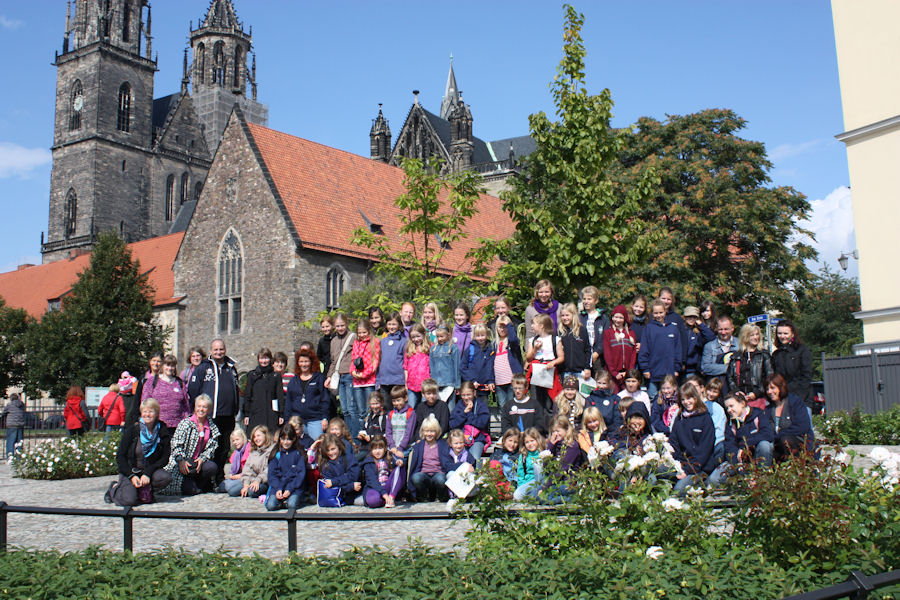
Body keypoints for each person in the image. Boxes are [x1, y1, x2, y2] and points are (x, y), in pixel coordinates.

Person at [187, 339, 239, 484]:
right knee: (210, 448)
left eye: (221, 349)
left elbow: (235, 389)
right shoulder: (203, 368)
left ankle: (219, 477)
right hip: (211, 416)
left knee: (224, 448)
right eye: (216, 349)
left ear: (225, 350)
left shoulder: (231, 368)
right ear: (211, 351)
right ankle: (206, 480)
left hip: (228, 415)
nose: (218, 352)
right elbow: (193, 390)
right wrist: (198, 410)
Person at [106, 398, 173, 506]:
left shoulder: (162, 430)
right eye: (145, 411)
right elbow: (120, 456)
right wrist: (131, 476)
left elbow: (165, 457)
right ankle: (113, 489)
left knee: (166, 477)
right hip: (131, 470)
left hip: (149, 470)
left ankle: (145, 491)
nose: (147, 414)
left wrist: (148, 473)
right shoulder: (133, 430)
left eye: (151, 411)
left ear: (156, 413)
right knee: (129, 501)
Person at [708, 392, 774, 487]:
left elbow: (768, 434)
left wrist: (745, 446)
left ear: (742, 404)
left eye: (731, 406)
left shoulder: (758, 415)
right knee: (714, 479)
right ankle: (739, 485)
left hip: (757, 455)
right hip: (739, 460)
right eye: (727, 408)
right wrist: (740, 467)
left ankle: (763, 479)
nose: (729, 410)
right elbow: (730, 446)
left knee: (765, 445)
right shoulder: (730, 424)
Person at [162, 395, 220, 496]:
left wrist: (203, 458)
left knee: (211, 467)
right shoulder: (185, 424)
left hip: (198, 463)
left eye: (204, 407)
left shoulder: (212, 427)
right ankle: (191, 485)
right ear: (195, 407)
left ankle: (200, 484)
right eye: (199, 406)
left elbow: (212, 447)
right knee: (191, 490)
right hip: (183, 463)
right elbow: (175, 444)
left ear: (209, 409)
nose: (201, 409)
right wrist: (181, 460)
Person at [667, 382, 716, 494]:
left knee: (679, 489)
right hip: (681, 465)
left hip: (699, 467)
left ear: (695, 398)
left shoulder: (705, 418)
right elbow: (673, 444)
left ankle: (703, 484)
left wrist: (688, 470)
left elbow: (704, 450)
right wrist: (678, 464)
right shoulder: (679, 419)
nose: (686, 402)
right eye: (683, 399)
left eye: (689, 398)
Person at [637, 299, 683, 402]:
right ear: (652, 313)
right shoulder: (648, 328)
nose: (659, 315)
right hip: (653, 372)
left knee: (671, 399)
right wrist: (645, 368)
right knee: (653, 399)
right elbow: (644, 350)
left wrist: (677, 368)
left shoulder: (673, 328)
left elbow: (678, 350)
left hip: (669, 372)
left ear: (665, 311)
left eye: (661, 312)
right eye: (656, 313)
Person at [764, 373, 815, 461]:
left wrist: (779, 434)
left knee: (785, 440)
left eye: (772, 388)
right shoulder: (768, 409)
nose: (769, 392)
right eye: (767, 389)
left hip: (797, 444)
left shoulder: (795, 403)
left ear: (781, 387)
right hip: (777, 446)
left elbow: (803, 427)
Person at [725, 324, 773, 410]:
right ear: (745, 336)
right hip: (740, 399)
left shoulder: (764, 355)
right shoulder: (736, 356)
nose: (756, 337)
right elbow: (730, 377)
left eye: (757, 334)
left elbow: (769, 377)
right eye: (752, 335)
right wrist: (737, 392)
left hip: (759, 399)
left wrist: (756, 393)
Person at [285, 348, 329, 440]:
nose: (304, 364)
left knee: (317, 444)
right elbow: (289, 402)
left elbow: (325, 399)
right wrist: (287, 421)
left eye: (306, 361)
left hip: (315, 419)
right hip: (297, 420)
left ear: (311, 362)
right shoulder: (293, 381)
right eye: (301, 362)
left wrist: (325, 418)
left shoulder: (319, 378)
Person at [771, 320, 815, 412]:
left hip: (802, 399)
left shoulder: (802, 350)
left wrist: (798, 397)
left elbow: (807, 376)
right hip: (783, 399)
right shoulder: (776, 354)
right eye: (779, 333)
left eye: (785, 333)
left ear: (792, 334)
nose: (782, 336)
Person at [525, 313, 565, 413]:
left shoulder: (555, 339)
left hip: (549, 371)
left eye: (534, 323)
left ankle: (549, 419)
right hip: (537, 371)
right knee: (537, 399)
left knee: (549, 400)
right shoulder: (533, 340)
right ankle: (538, 420)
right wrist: (535, 349)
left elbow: (561, 357)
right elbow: (529, 358)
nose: (532, 326)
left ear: (541, 326)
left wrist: (553, 363)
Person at [324, 313, 356, 436]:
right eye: (337, 326)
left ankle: (354, 435)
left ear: (346, 324)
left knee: (351, 408)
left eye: (342, 325)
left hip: (349, 375)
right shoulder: (334, 341)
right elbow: (333, 361)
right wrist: (329, 376)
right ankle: (347, 434)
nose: (340, 328)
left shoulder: (353, 337)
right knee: (344, 409)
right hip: (339, 376)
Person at [407, 416, 451, 501]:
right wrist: (410, 488)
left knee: (441, 479)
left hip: (438, 473)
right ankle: (424, 497)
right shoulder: (418, 446)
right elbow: (413, 467)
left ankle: (440, 497)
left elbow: (447, 463)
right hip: (424, 474)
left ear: (437, 432)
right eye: (427, 431)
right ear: (423, 431)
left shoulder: (443, 445)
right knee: (416, 477)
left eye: (432, 431)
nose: (429, 434)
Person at [350, 318, 381, 438]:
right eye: (359, 333)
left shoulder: (375, 341)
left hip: (369, 381)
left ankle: (371, 434)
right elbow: (353, 359)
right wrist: (352, 371)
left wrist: (364, 374)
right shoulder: (356, 343)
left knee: (370, 409)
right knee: (361, 411)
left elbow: (375, 362)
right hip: (357, 381)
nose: (362, 335)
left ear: (369, 331)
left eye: (364, 332)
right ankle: (362, 435)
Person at [266, 423, 307, 510]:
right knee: (271, 506)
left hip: (294, 487)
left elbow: (300, 475)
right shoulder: (276, 454)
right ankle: (282, 502)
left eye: (288, 439)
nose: (285, 442)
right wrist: (278, 488)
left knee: (292, 505)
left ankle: (300, 498)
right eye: (283, 439)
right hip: (278, 486)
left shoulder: (298, 453)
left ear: (294, 439)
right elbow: (272, 475)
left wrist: (289, 489)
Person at [143, 354, 190, 429]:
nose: (170, 368)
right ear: (162, 366)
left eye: (172, 366)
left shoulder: (180, 383)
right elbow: (145, 402)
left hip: (178, 426)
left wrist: (186, 422)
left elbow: (186, 405)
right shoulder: (152, 381)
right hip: (157, 425)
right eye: (167, 365)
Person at [359, 435, 404, 508]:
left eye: (380, 448)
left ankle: (392, 497)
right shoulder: (368, 462)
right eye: (375, 449)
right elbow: (372, 481)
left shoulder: (390, 456)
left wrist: (399, 461)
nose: (377, 451)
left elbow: (398, 460)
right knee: (373, 501)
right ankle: (386, 500)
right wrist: (385, 495)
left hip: (388, 486)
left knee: (400, 467)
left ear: (385, 448)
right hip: (375, 488)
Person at [449, 381, 490, 460]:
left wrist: (469, 414)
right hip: (461, 440)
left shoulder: (480, 405)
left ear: (474, 393)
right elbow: (452, 424)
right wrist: (464, 413)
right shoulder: (459, 406)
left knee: (473, 459)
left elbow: (482, 424)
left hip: (477, 439)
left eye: (468, 395)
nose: (466, 398)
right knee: (458, 459)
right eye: (463, 395)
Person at [317, 432, 362, 504]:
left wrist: (334, 482)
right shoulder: (325, 464)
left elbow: (353, 476)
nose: (330, 453)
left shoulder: (349, 458)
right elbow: (329, 485)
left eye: (333, 449)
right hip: (338, 495)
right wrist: (351, 486)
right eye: (328, 450)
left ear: (339, 447)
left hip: (356, 493)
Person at [603, 304, 637, 392]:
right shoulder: (608, 333)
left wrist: (629, 372)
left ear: (625, 319)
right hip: (612, 374)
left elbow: (633, 354)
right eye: (616, 317)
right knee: (613, 395)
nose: (618, 320)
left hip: (626, 374)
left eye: (621, 318)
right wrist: (614, 372)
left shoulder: (631, 334)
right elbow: (607, 354)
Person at [493, 314, 524, 409]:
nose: (502, 329)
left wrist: (509, 325)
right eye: (500, 327)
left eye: (505, 327)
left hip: (511, 379)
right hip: (499, 381)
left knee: (513, 406)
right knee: (502, 406)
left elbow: (514, 339)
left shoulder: (511, 342)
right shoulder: (494, 344)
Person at [578, 286, 611, 376]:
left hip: (598, 356)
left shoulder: (603, 318)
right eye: (584, 299)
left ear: (596, 300)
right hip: (583, 356)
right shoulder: (579, 317)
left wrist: (597, 352)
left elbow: (606, 338)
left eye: (589, 299)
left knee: (599, 379)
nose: (586, 301)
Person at [376, 312, 407, 399]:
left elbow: (406, 362)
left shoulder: (403, 341)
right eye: (389, 324)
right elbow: (379, 362)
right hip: (384, 381)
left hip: (398, 381)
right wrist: (378, 381)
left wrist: (406, 381)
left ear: (399, 325)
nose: (391, 327)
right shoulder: (383, 341)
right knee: (386, 405)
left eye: (394, 324)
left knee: (398, 404)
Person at [460, 324, 495, 402]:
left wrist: (491, 381)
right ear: (474, 336)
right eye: (478, 336)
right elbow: (462, 367)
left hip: (484, 388)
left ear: (487, 335)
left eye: (482, 335)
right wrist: (472, 380)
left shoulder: (490, 349)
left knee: (483, 406)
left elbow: (491, 367)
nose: (480, 338)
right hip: (472, 387)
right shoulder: (470, 349)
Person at [701, 316, 739, 385]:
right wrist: (730, 368)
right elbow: (705, 367)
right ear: (716, 329)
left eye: (726, 329)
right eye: (720, 329)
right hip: (716, 386)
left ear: (732, 328)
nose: (723, 332)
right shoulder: (709, 346)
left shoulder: (740, 344)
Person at [558, 303, 592, 382]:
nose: (565, 318)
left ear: (574, 315)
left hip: (580, 371)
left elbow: (588, 350)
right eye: (562, 316)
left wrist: (587, 367)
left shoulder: (582, 330)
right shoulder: (560, 332)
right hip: (565, 371)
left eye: (567, 315)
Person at [239, 425, 274, 499]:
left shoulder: (272, 450)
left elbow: (270, 469)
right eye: (254, 437)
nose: (256, 439)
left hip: (265, 481)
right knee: (232, 490)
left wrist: (258, 480)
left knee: (251, 492)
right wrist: (246, 484)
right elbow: (247, 468)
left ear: (265, 436)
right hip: (252, 479)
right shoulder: (253, 450)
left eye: (258, 436)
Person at [429, 323, 461, 402]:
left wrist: (457, 385)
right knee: (439, 407)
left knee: (450, 407)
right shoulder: (433, 349)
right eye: (438, 336)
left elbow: (457, 367)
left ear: (448, 335)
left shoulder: (453, 348)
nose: (439, 339)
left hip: (449, 383)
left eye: (442, 336)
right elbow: (431, 367)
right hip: (436, 383)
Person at [385, 386, 417, 462]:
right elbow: (388, 432)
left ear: (405, 398)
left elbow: (409, 433)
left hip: (406, 448)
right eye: (394, 401)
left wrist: (400, 448)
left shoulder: (410, 413)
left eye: (398, 400)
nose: (396, 403)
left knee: (400, 462)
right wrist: (392, 446)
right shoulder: (391, 414)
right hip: (393, 447)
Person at [658, 286, 689, 365]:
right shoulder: (651, 317)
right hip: (655, 360)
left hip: (672, 361)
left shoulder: (677, 318)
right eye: (663, 298)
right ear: (658, 298)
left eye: (668, 299)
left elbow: (683, 340)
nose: (666, 301)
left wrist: (683, 360)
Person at [513, 427, 545, 501]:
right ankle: (534, 496)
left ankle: (537, 494)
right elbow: (520, 474)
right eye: (527, 442)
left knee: (538, 464)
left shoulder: (543, 453)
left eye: (532, 441)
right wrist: (521, 487)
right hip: (529, 483)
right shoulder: (524, 456)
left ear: (537, 440)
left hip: (541, 482)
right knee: (517, 495)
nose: (530, 444)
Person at [682, 306, 715, 377]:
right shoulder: (679, 330)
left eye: (694, 317)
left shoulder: (698, 333)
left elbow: (711, 337)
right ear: (684, 317)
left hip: (693, 369)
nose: (691, 319)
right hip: (680, 368)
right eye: (689, 317)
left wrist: (701, 325)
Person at [403, 323, 431, 407]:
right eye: (413, 337)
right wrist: (406, 384)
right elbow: (405, 367)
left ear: (423, 334)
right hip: (412, 384)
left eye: (418, 336)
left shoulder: (430, 347)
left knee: (425, 407)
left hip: (426, 384)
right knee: (411, 407)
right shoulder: (409, 349)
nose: (416, 339)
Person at [132, 352, 163, 424]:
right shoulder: (143, 378)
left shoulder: (164, 378)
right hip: (145, 414)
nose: (156, 363)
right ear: (150, 362)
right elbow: (137, 398)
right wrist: (136, 416)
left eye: (159, 361)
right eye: (154, 360)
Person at [357, 390, 388, 460]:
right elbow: (364, 429)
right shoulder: (369, 416)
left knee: (356, 459)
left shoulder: (383, 417)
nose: (374, 406)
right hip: (365, 446)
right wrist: (362, 435)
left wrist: (370, 437)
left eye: (376, 403)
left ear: (381, 403)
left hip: (376, 448)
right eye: (372, 404)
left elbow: (384, 434)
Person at [220, 429, 250, 496]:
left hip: (247, 477)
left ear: (243, 438)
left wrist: (239, 476)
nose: (235, 442)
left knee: (230, 489)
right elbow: (233, 470)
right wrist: (231, 475)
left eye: (237, 440)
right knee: (222, 486)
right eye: (233, 441)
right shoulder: (237, 452)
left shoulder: (249, 450)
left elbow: (251, 470)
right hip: (238, 477)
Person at [2, 393, 26, 459]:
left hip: (11, 425)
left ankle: (10, 457)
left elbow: (4, 412)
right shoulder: (22, 405)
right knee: (19, 442)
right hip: (20, 425)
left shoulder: (10, 405)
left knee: (10, 442)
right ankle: (19, 457)